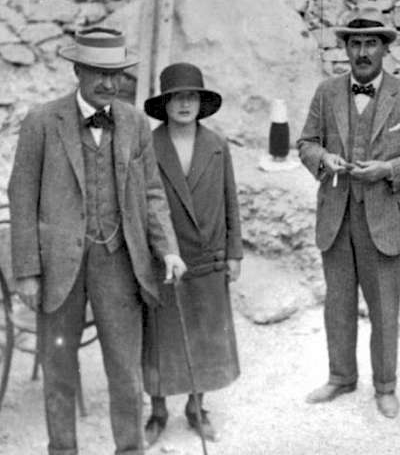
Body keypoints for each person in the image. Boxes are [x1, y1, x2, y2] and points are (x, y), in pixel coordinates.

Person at [8, 28, 186, 455]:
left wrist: (169, 250)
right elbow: (22, 197)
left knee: (125, 370)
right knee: (60, 369)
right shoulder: (41, 121)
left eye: (116, 73)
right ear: (77, 69)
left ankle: (129, 449)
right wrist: (28, 272)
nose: (109, 83)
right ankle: (63, 450)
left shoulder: (134, 121)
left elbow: (151, 193)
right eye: (98, 72)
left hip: (118, 262)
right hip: (57, 269)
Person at [298, 7, 400, 418]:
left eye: (370, 44)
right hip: (336, 216)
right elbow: (305, 143)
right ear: (345, 48)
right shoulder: (326, 92)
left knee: (384, 307)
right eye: (355, 43)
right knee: (337, 303)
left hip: (384, 217)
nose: (362, 52)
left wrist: (388, 170)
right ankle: (341, 377)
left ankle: (385, 385)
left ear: (384, 49)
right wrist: (325, 159)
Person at [142, 62, 243, 445]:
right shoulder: (148, 145)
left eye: (191, 97)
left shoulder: (217, 146)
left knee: (203, 336)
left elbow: (230, 200)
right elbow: (143, 204)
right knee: (161, 339)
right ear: (164, 104)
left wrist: (234, 253)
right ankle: (157, 410)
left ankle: (196, 407)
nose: (184, 104)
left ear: (201, 103)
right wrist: (158, 249)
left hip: (209, 258)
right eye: (176, 97)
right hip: (164, 258)